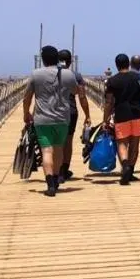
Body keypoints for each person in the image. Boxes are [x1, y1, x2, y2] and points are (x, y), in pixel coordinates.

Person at [23, 45, 91, 196]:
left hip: (42, 119)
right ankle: (56, 178)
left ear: (43, 59)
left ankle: (50, 184)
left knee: (47, 150)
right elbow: (76, 92)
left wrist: (26, 113)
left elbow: (27, 97)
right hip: (62, 118)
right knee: (59, 149)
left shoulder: (35, 74)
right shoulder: (68, 74)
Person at [103, 53, 140, 185]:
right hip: (138, 114)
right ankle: (130, 171)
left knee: (121, 143)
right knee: (135, 143)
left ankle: (125, 166)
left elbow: (109, 102)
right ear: (128, 64)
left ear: (116, 65)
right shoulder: (139, 78)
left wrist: (105, 119)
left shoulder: (112, 81)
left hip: (121, 115)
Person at [57, 48, 84, 180]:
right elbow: (82, 96)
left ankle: (55, 171)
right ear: (70, 61)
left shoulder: (50, 74)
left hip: (52, 111)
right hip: (70, 111)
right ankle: (63, 170)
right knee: (68, 142)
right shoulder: (76, 75)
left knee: (55, 142)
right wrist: (88, 114)